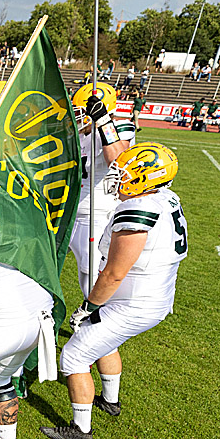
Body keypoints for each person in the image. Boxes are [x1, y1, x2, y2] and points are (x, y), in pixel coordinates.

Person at [43, 142, 187, 439]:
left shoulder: (138, 208)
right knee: (103, 341)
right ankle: (110, 401)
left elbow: (114, 273)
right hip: (152, 297)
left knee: (74, 355)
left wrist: (89, 306)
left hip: (135, 303)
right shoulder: (166, 198)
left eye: (124, 173)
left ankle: (80, 430)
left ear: (142, 178)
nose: (117, 177)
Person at [68, 84, 135, 297]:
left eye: (82, 112)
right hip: (65, 214)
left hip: (96, 216)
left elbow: (118, 161)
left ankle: (93, 319)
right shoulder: (75, 133)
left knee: (92, 278)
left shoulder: (118, 127)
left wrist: (104, 123)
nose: (77, 117)